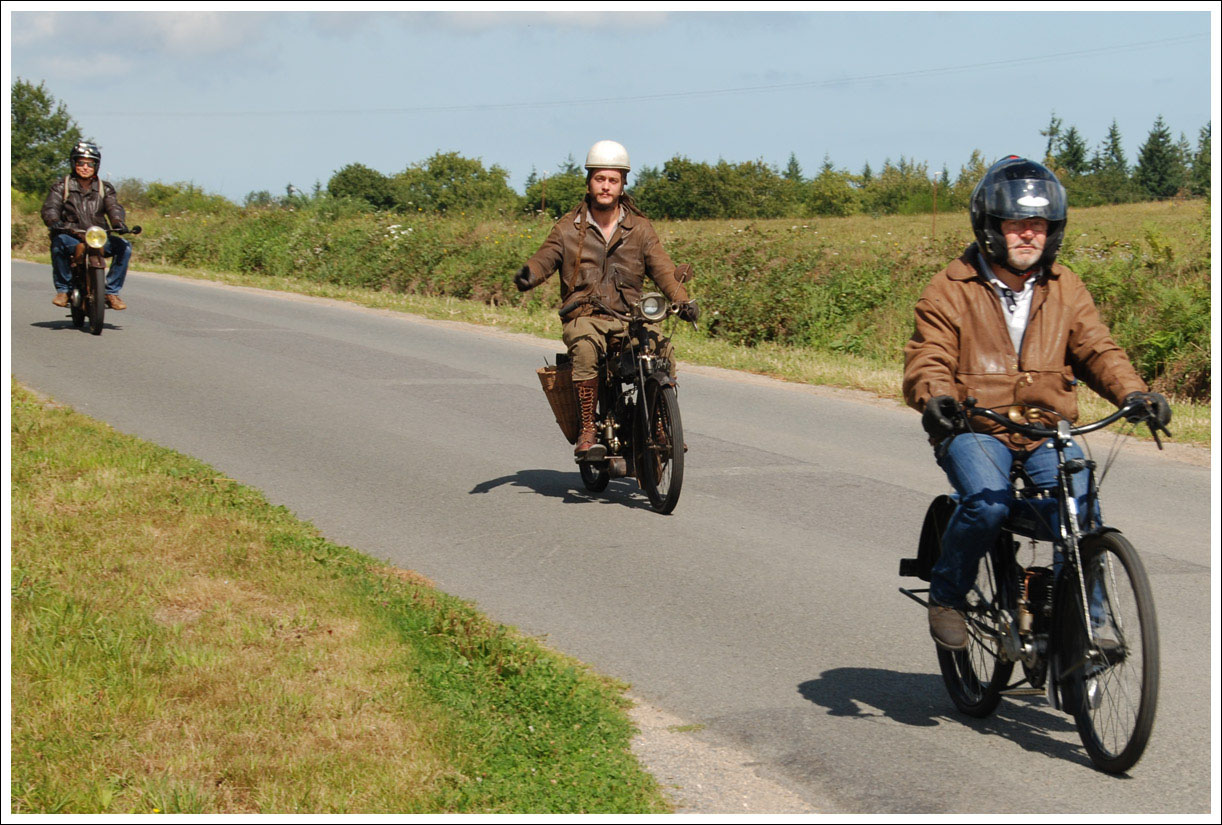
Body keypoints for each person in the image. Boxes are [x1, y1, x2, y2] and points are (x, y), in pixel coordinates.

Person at [902, 156, 1171, 650]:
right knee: (987, 505)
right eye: (1017, 224)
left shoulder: (1065, 287)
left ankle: (1089, 623)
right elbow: (930, 354)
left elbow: (1097, 349)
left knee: (1080, 506)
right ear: (989, 227)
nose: (1029, 235)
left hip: (1047, 426)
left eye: (1039, 226)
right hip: (974, 426)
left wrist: (1135, 394)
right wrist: (936, 399)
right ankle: (947, 594)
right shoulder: (950, 287)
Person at [514, 140, 698, 459]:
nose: (606, 186)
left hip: (631, 319)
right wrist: (529, 273)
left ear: (623, 184)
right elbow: (546, 257)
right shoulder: (567, 229)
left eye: (613, 180)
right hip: (584, 317)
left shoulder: (640, 229)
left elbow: (664, 269)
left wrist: (683, 300)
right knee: (585, 349)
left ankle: (659, 423)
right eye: (600, 179)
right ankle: (587, 428)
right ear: (589, 181)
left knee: (663, 349)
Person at [41, 140, 132, 310]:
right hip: (71, 234)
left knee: (124, 247)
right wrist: (54, 221)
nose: (85, 167)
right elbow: (50, 208)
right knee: (58, 243)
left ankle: (111, 291)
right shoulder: (61, 186)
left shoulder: (105, 188)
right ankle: (64, 290)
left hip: (98, 236)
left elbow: (114, 207)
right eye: (80, 163)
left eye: (90, 164)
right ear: (73, 163)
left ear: (96, 166)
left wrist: (119, 223)